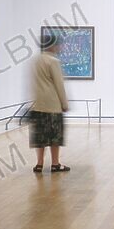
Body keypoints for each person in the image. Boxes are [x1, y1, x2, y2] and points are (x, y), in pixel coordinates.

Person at [30, 32, 70, 172]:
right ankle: (55, 164)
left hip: (38, 104)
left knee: (40, 137)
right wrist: (64, 104)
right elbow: (59, 84)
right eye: (58, 45)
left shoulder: (36, 60)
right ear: (52, 46)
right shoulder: (53, 61)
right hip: (52, 105)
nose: (60, 47)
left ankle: (39, 164)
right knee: (55, 137)